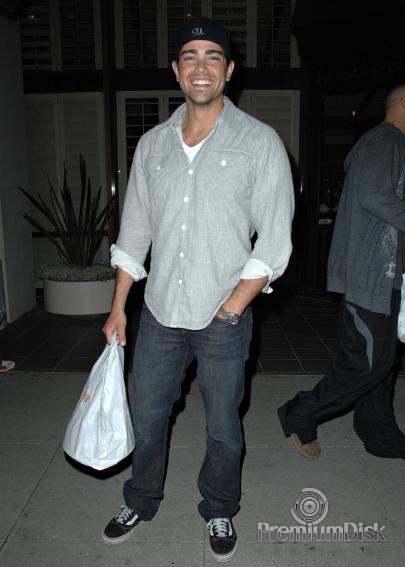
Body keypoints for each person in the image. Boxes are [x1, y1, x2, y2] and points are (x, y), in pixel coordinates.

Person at [101, 16, 294, 562]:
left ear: (229, 70)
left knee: (223, 428)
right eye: (190, 56)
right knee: (148, 419)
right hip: (160, 313)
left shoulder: (259, 142)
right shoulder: (152, 146)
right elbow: (134, 232)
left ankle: (220, 508)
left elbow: (274, 242)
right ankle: (140, 499)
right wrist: (118, 306)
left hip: (222, 316)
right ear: (176, 70)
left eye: (213, 56)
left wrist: (231, 310)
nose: (201, 67)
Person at [278, 84, 405, 461]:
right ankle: (301, 411)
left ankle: (378, 432)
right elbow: (374, 196)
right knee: (365, 365)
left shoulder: (390, 143)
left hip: (383, 277)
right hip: (370, 278)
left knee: (382, 363)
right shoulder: (385, 140)